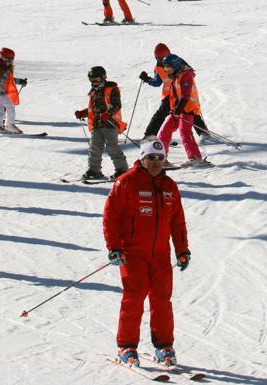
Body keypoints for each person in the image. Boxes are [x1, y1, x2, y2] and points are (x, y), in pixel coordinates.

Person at [103, 138, 191, 367]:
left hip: (160, 255)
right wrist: (114, 247)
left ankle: (164, 347)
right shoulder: (126, 183)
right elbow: (111, 218)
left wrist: (182, 250)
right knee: (134, 298)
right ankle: (127, 347)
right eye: (151, 157)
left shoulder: (169, 186)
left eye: (160, 158)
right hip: (133, 255)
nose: (156, 162)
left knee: (162, 301)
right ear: (142, 158)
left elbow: (177, 222)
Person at [139, 44, 209, 140]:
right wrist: (147, 79)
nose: (161, 60)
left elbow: (191, 73)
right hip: (168, 95)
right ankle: (150, 135)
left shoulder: (176, 61)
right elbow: (157, 82)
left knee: (190, 111)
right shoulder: (158, 67)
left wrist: (184, 82)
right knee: (161, 114)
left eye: (162, 57)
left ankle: (203, 133)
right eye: (159, 58)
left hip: (182, 92)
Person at [74, 66, 129, 181]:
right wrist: (82, 113)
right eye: (92, 80)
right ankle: (94, 171)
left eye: (97, 80)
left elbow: (117, 105)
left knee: (112, 147)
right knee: (94, 148)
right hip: (97, 125)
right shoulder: (93, 92)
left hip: (110, 123)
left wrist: (108, 114)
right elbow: (93, 109)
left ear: (103, 78)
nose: (95, 82)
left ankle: (122, 170)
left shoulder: (111, 89)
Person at [157, 54, 208, 167]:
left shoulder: (186, 75)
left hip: (187, 109)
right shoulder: (176, 76)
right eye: (165, 68)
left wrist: (178, 109)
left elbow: (185, 95)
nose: (166, 70)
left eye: (168, 67)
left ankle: (195, 157)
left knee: (184, 131)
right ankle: (161, 159)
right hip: (177, 110)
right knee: (164, 131)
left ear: (175, 65)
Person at [0, 47, 27, 133]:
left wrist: (20, 81)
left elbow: (10, 79)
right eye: (7, 59)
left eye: (11, 60)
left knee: (10, 107)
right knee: (0, 109)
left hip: (3, 92)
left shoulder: (7, 68)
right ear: (2, 58)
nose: (9, 62)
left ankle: (9, 125)